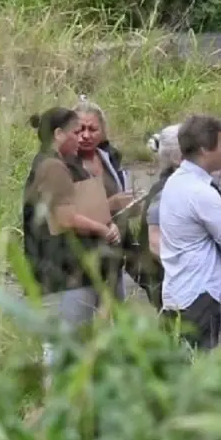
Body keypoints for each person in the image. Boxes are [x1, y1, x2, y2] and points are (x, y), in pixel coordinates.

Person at [22, 107, 123, 338]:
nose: (81, 138)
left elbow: (81, 207)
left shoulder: (60, 164)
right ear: (59, 134)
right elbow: (65, 218)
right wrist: (102, 229)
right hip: (61, 277)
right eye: (75, 132)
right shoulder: (53, 167)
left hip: (70, 275)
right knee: (68, 349)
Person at [158, 115, 221, 350]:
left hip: (178, 292)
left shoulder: (175, 182)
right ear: (205, 149)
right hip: (202, 295)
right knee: (201, 368)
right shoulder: (200, 192)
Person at [73, 98, 134, 300]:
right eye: (80, 129)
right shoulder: (66, 164)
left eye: (92, 129)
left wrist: (129, 206)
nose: (86, 135)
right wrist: (112, 204)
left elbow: (119, 198)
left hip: (113, 257)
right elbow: (69, 215)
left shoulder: (109, 157)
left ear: (103, 131)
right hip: (80, 263)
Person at [134, 124, 182, 309]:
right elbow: (155, 243)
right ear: (179, 158)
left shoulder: (169, 185)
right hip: (171, 284)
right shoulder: (169, 189)